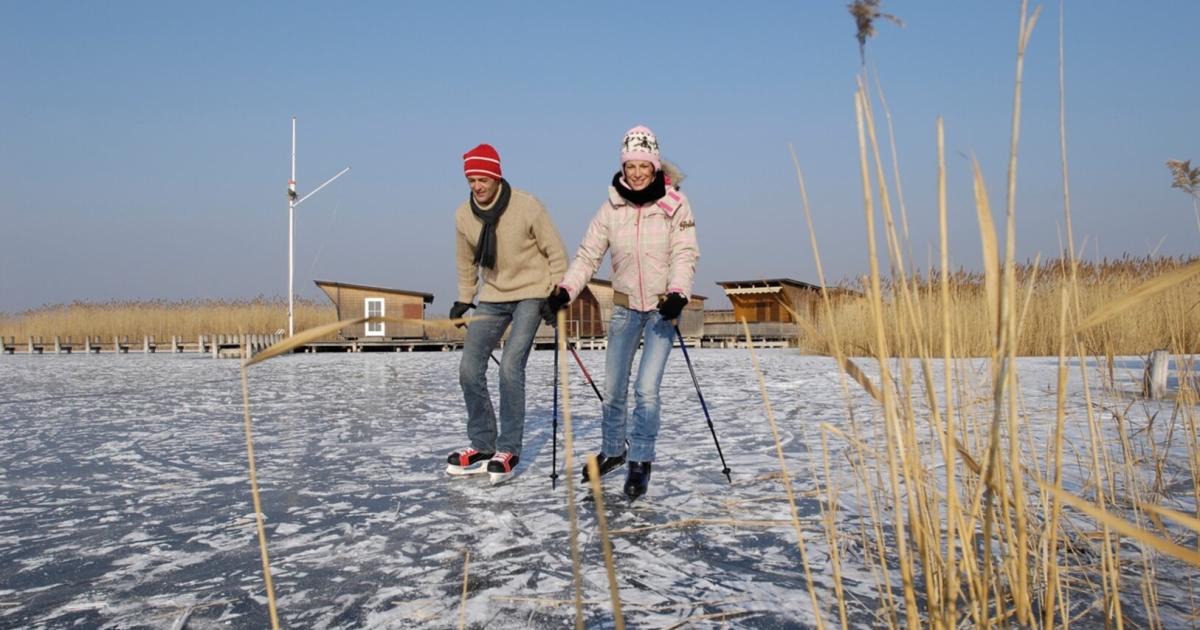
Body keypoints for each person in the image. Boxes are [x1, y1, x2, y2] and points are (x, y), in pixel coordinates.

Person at [543, 125, 700, 499]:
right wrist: (566, 289)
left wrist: (679, 292)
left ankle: (640, 460)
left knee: (646, 390)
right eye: (630, 166)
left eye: (643, 165)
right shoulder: (611, 208)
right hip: (626, 310)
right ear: (623, 166)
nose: (636, 172)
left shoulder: (675, 204)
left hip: (663, 310)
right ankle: (614, 451)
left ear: (655, 164)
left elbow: (685, 252)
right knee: (614, 390)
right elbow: (587, 255)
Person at [446, 143, 568, 484]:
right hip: (494, 295)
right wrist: (464, 298)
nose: (477, 186)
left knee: (511, 366)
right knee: (469, 368)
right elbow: (465, 261)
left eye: (482, 178)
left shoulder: (527, 206)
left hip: (532, 292)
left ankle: (509, 448)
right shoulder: (463, 215)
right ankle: (483, 444)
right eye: (471, 179)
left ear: (497, 176)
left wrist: (556, 292)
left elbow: (556, 252)